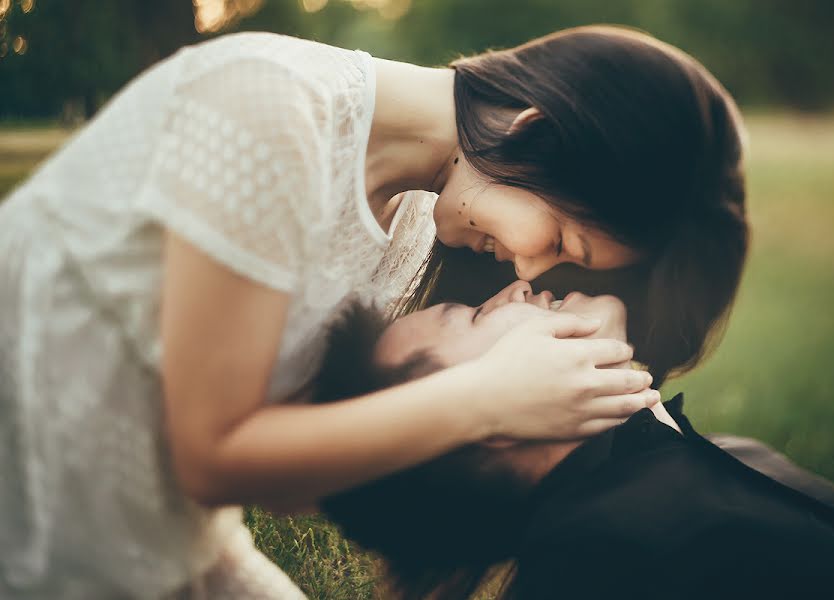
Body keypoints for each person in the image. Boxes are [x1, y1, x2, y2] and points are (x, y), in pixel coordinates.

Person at [0, 25, 748, 598]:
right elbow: (211, 457)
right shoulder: (273, 113)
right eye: (561, 240)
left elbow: (284, 479)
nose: (525, 269)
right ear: (532, 128)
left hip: (158, 532)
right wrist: (487, 399)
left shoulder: (423, 219)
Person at [316, 282, 834, 600]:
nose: (515, 287)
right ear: (472, 419)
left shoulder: (728, 453)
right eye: (472, 316)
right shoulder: (604, 563)